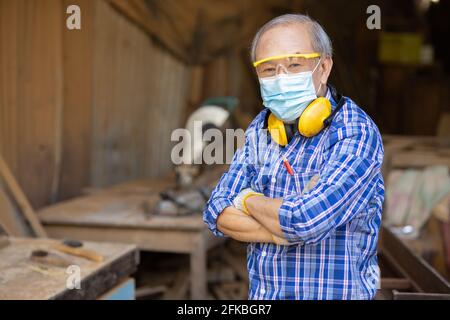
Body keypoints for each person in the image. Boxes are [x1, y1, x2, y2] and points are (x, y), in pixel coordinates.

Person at [203, 13, 384, 300]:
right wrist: (276, 232)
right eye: (269, 70)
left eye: (295, 65)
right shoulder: (261, 128)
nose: (281, 78)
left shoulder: (355, 132)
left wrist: (247, 199)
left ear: (323, 68)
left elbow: (306, 220)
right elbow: (217, 211)